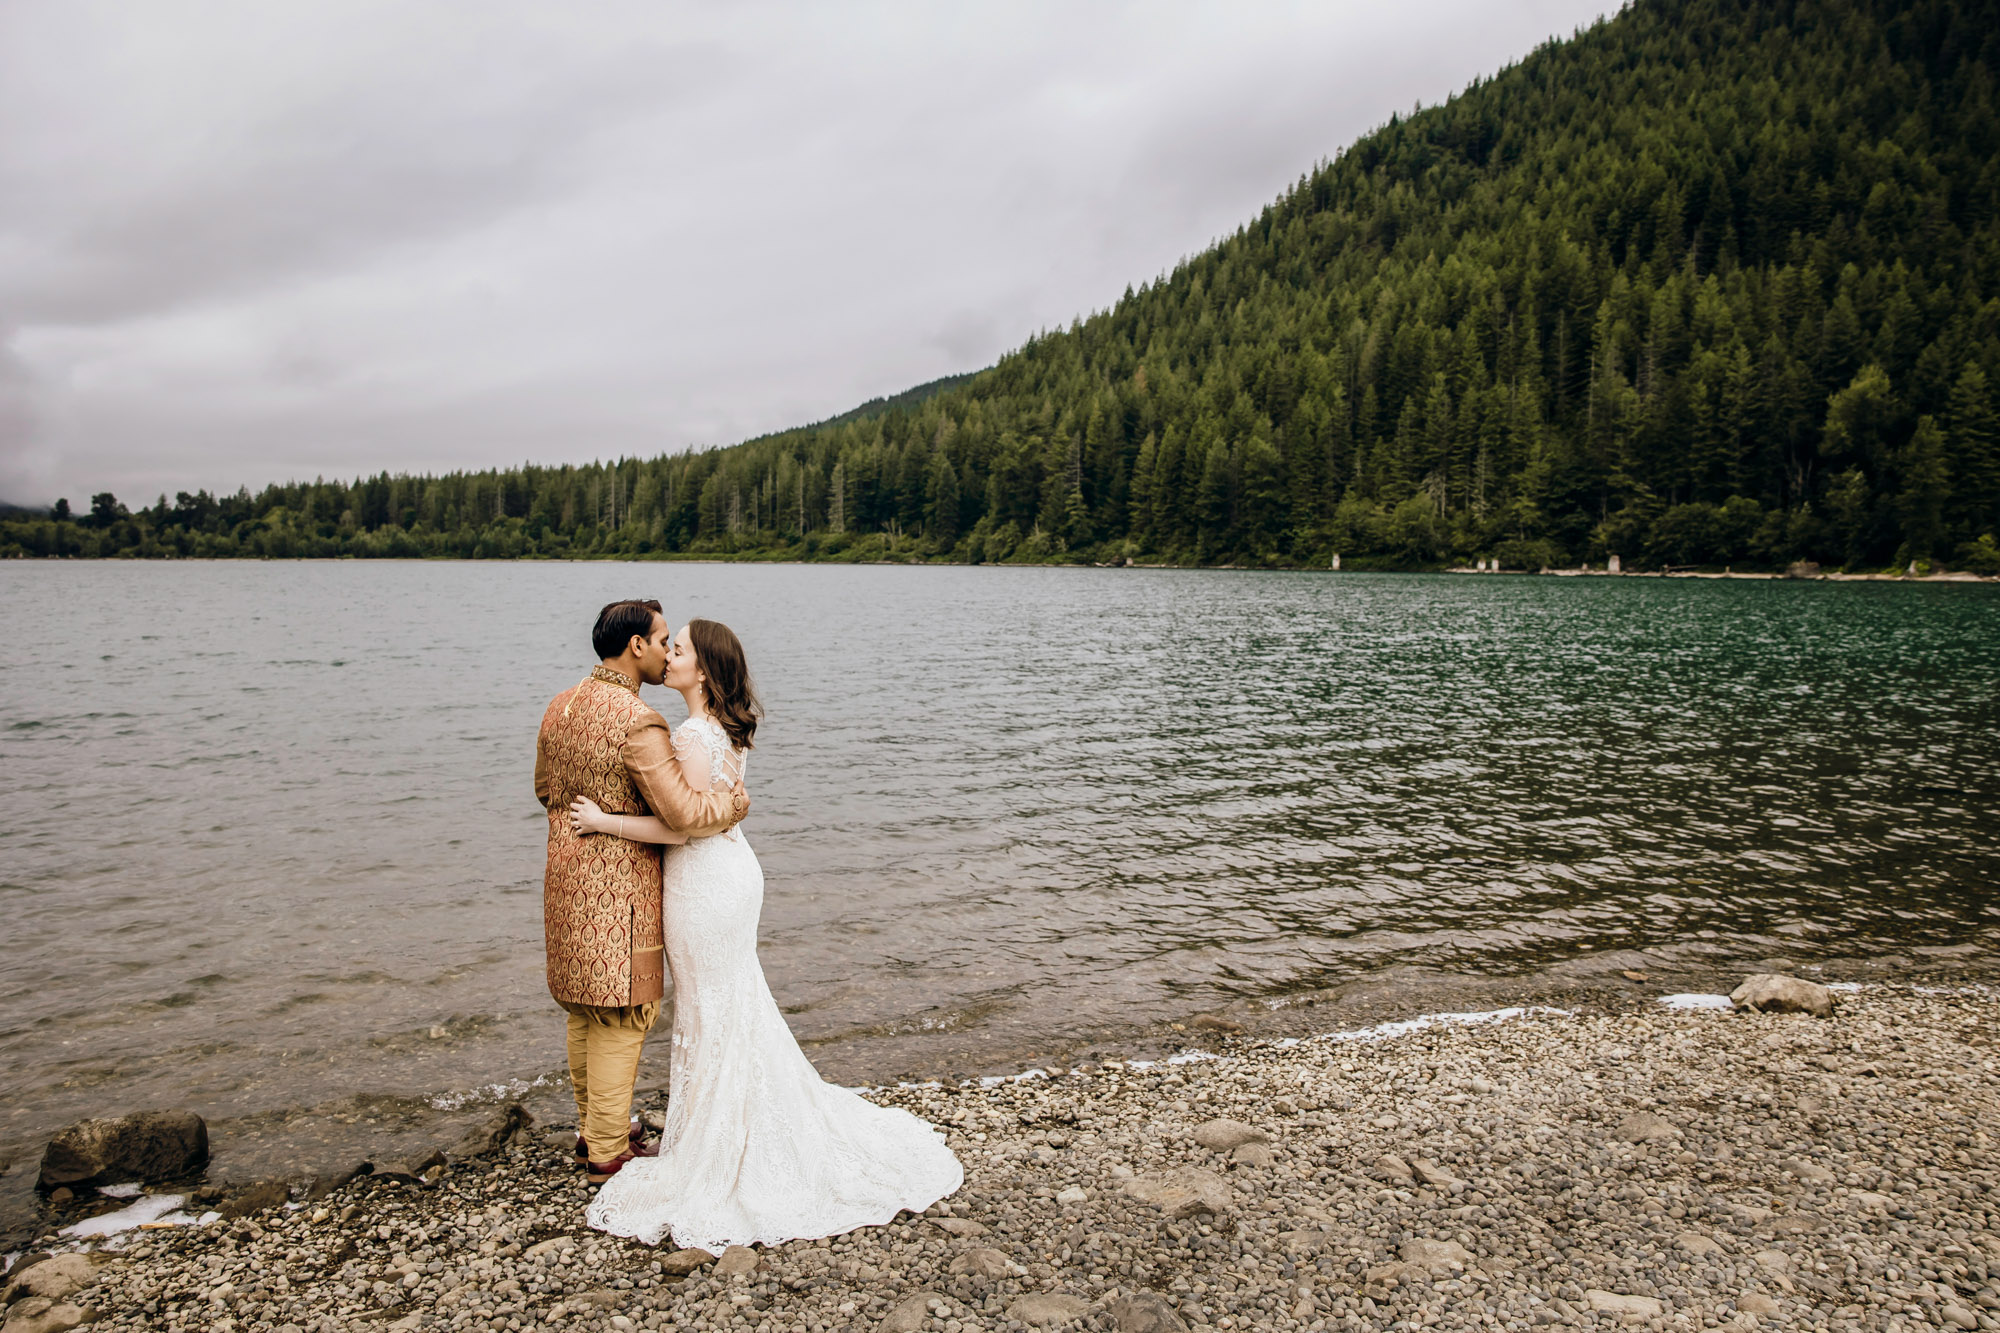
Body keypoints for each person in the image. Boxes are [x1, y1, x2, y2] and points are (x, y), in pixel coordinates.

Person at [573, 617, 962, 1251]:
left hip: (704, 882)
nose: (670, 657)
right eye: (669, 647)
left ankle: (721, 1141)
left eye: (681, 650)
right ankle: (725, 1124)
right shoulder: (722, 729)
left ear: (703, 670)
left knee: (712, 1008)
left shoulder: (695, 735)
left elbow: (681, 828)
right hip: (728, 875)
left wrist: (604, 821)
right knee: (728, 1004)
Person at [535, 600, 749, 1185]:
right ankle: (607, 1150)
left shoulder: (561, 706)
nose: (664, 651)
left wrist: (589, 815)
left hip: (565, 875)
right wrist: (734, 803)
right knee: (623, 1010)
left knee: (584, 1007)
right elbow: (683, 814)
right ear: (635, 646)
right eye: (661, 640)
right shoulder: (638, 720)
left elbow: (545, 789)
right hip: (619, 885)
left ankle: (595, 1129)